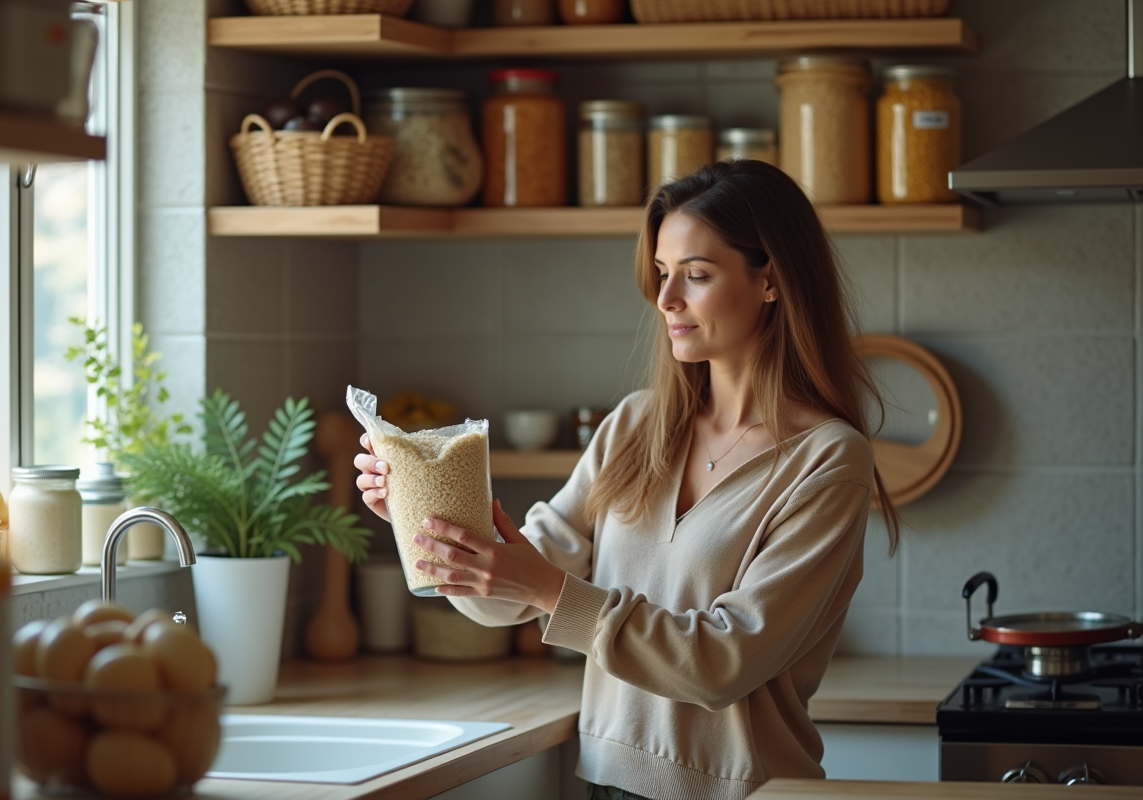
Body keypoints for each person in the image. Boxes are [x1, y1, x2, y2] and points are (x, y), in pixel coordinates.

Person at [354, 159, 900, 800]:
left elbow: (724, 663)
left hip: (745, 792)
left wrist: (551, 591)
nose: (666, 299)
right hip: (608, 782)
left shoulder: (829, 459)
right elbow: (502, 596)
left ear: (771, 280)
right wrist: (421, 521)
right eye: (663, 274)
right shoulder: (638, 424)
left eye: (696, 275)